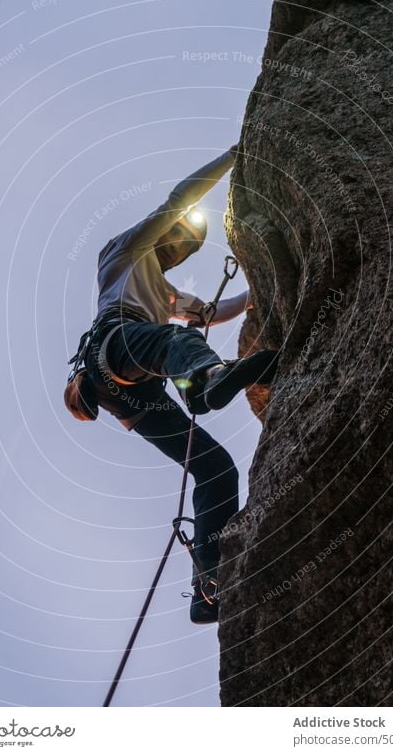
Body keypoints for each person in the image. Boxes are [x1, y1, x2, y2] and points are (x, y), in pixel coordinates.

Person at [64, 146, 278, 623]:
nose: (179, 250)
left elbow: (219, 311)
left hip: (133, 399)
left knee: (216, 468)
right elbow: (179, 198)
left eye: (186, 249)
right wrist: (236, 156)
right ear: (169, 233)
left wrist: (267, 282)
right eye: (179, 240)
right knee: (173, 342)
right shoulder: (122, 255)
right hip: (117, 344)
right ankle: (207, 381)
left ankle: (209, 583)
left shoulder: (167, 294)